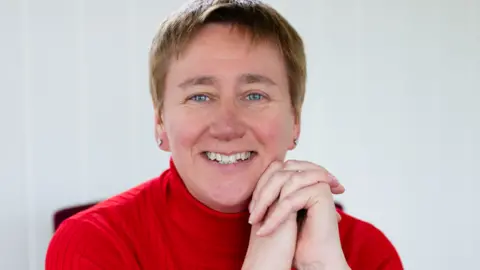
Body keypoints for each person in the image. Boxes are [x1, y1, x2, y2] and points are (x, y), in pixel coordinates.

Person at [45, 0, 403, 269]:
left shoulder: (361, 252)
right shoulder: (92, 244)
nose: (227, 126)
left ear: (295, 121)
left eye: (254, 95)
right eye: (200, 96)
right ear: (160, 123)